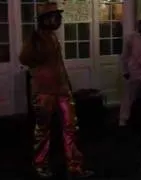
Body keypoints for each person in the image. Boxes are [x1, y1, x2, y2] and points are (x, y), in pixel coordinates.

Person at [19, 2, 92, 178]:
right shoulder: (35, 38)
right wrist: (38, 52)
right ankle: (40, 165)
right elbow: (24, 58)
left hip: (61, 90)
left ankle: (74, 166)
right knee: (43, 129)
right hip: (44, 91)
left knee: (71, 127)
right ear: (44, 20)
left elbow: (58, 64)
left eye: (57, 17)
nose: (56, 20)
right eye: (52, 17)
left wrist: (67, 85)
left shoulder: (53, 37)